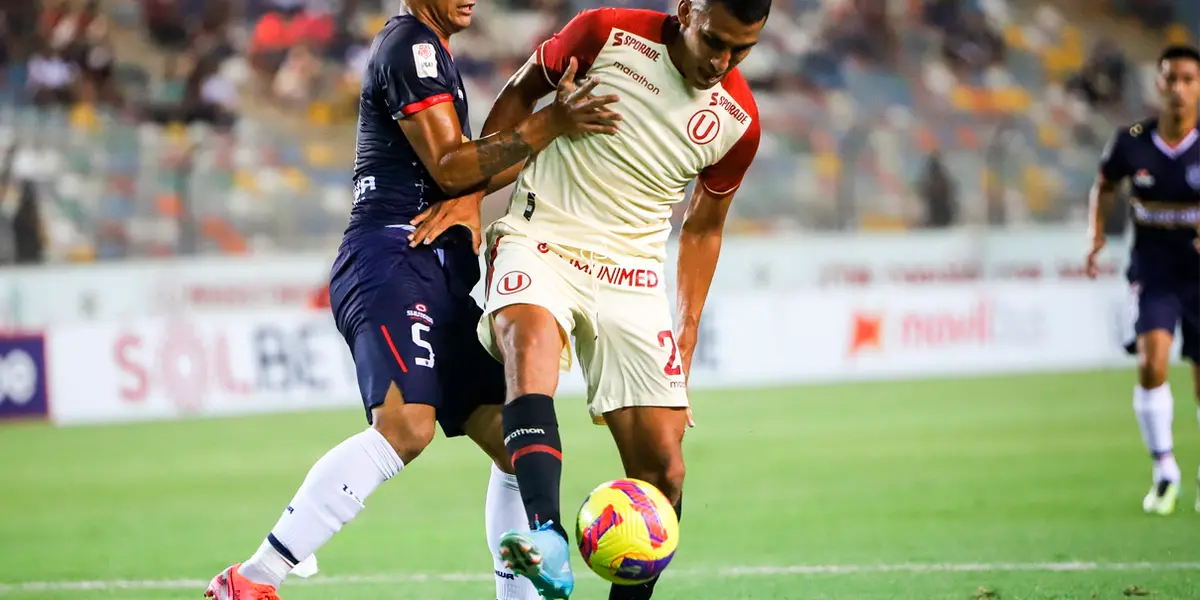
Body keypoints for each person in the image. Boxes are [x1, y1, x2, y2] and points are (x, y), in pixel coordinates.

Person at [203, 0, 621, 598]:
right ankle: (251, 580)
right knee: (405, 425)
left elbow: (463, 173)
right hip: (394, 257)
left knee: (514, 444)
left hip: (436, 274)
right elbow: (451, 167)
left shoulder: (432, 51)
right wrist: (551, 122)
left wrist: (473, 197)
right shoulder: (411, 47)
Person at [464, 0, 767, 597]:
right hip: (540, 235)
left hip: (631, 274)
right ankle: (547, 537)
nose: (723, 61)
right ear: (686, 10)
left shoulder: (739, 121)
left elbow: (703, 228)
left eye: (742, 49)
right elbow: (521, 94)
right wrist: (474, 193)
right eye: (715, 41)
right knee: (529, 346)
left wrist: (686, 329)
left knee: (665, 471)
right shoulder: (606, 33)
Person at [1087, 44, 1200, 517]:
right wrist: (1095, 235)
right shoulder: (1132, 140)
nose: (1178, 89)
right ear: (1157, 83)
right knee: (1151, 364)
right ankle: (1165, 471)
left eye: (1188, 79)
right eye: (1170, 78)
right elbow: (1105, 182)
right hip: (1154, 273)